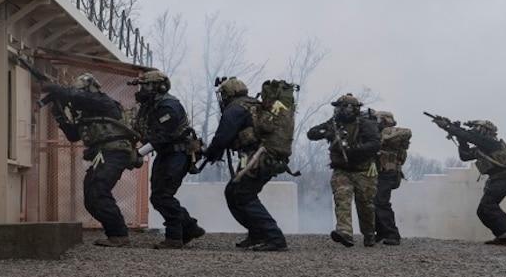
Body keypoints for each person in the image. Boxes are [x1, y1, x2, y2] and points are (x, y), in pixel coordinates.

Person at [42, 73, 140, 247]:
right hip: (102, 155)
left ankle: (119, 235)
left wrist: (56, 89)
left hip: (114, 153)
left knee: (99, 190)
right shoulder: (88, 112)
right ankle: (114, 234)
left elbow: (77, 96)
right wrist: (60, 117)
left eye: (80, 92)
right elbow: (73, 136)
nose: (77, 98)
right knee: (90, 197)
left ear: (89, 90)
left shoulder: (104, 103)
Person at [204, 77, 288, 252]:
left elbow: (222, 137)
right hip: (257, 158)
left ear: (228, 95)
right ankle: (257, 234)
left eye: (224, 95)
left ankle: (275, 237)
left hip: (257, 158)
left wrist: (210, 153)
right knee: (232, 192)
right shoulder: (253, 105)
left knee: (244, 196)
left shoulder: (235, 109)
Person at [130, 70, 205, 249]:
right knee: (158, 196)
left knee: (163, 196)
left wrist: (139, 153)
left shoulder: (168, 106)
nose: (143, 90)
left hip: (177, 155)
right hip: (167, 154)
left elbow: (163, 136)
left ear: (160, 87)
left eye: (147, 86)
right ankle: (189, 227)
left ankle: (174, 237)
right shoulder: (152, 106)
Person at [431, 117, 506, 245]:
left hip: (504, 178)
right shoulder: (484, 147)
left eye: (476, 128)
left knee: (488, 205)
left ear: (485, 130)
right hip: (498, 180)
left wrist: (449, 127)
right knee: (482, 211)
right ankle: (502, 236)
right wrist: (461, 140)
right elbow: (465, 156)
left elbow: (471, 137)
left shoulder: (490, 142)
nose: (474, 131)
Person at [307, 94, 380, 248]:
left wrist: (354, 150)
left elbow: (374, 144)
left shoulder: (366, 124)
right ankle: (345, 232)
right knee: (342, 200)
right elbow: (312, 133)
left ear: (352, 108)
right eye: (338, 107)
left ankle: (369, 234)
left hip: (364, 171)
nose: (339, 110)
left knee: (366, 206)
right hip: (342, 170)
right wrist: (327, 134)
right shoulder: (334, 123)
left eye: (342, 107)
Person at [371, 110, 411, 246]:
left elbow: (407, 132)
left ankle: (392, 233)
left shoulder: (392, 132)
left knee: (381, 202)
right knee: (373, 202)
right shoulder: (376, 133)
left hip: (388, 173)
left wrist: (384, 139)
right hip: (378, 173)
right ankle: (381, 231)